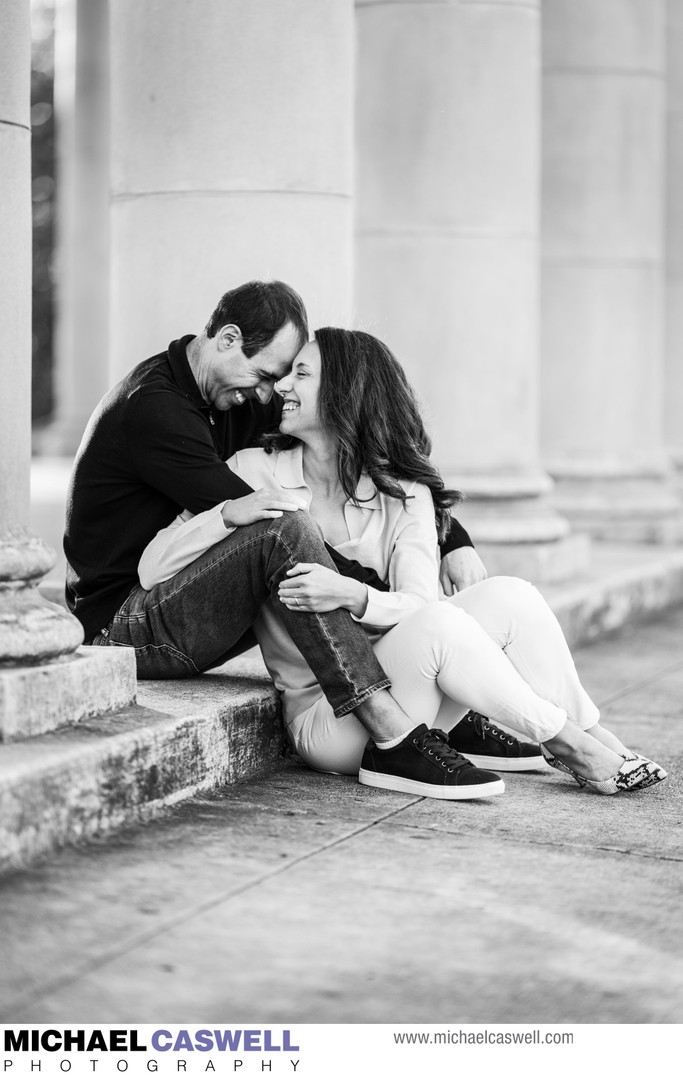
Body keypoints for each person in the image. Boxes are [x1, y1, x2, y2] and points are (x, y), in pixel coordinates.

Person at [138, 328, 668, 799]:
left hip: (412, 689)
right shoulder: (254, 471)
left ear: (346, 393)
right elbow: (153, 568)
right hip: (332, 718)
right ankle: (568, 744)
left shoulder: (404, 492)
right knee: (440, 624)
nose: (281, 386)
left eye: (301, 373)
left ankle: (594, 735)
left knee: (514, 596)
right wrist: (230, 514)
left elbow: (419, 601)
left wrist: (354, 596)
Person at [65, 280, 525, 801]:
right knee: (286, 528)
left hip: (183, 595)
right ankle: (394, 729)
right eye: (265, 375)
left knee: (303, 541)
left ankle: (441, 704)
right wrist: (399, 606)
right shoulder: (155, 410)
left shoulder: (233, 386)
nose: (269, 394)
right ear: (227, 338)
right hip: (123, 622)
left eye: (282, 378)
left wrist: (448, 534)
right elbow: (281, 533)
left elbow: (357, 430)